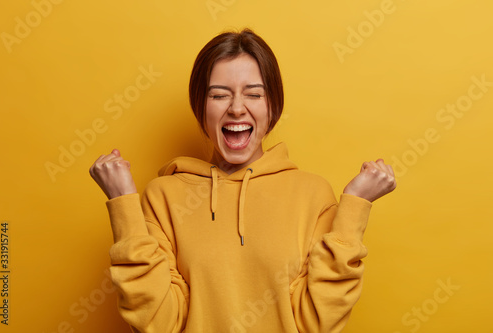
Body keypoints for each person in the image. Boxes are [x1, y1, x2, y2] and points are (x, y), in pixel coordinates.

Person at [89, 28, 396, 333]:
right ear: (201, 108)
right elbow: (158, 321)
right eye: (220, 95)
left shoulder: (312, 194)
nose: (236, 108)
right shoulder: (163, 196)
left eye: (253, 94)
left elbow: (318, 321)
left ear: (272, 106)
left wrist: (355, 206)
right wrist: (124, 203)